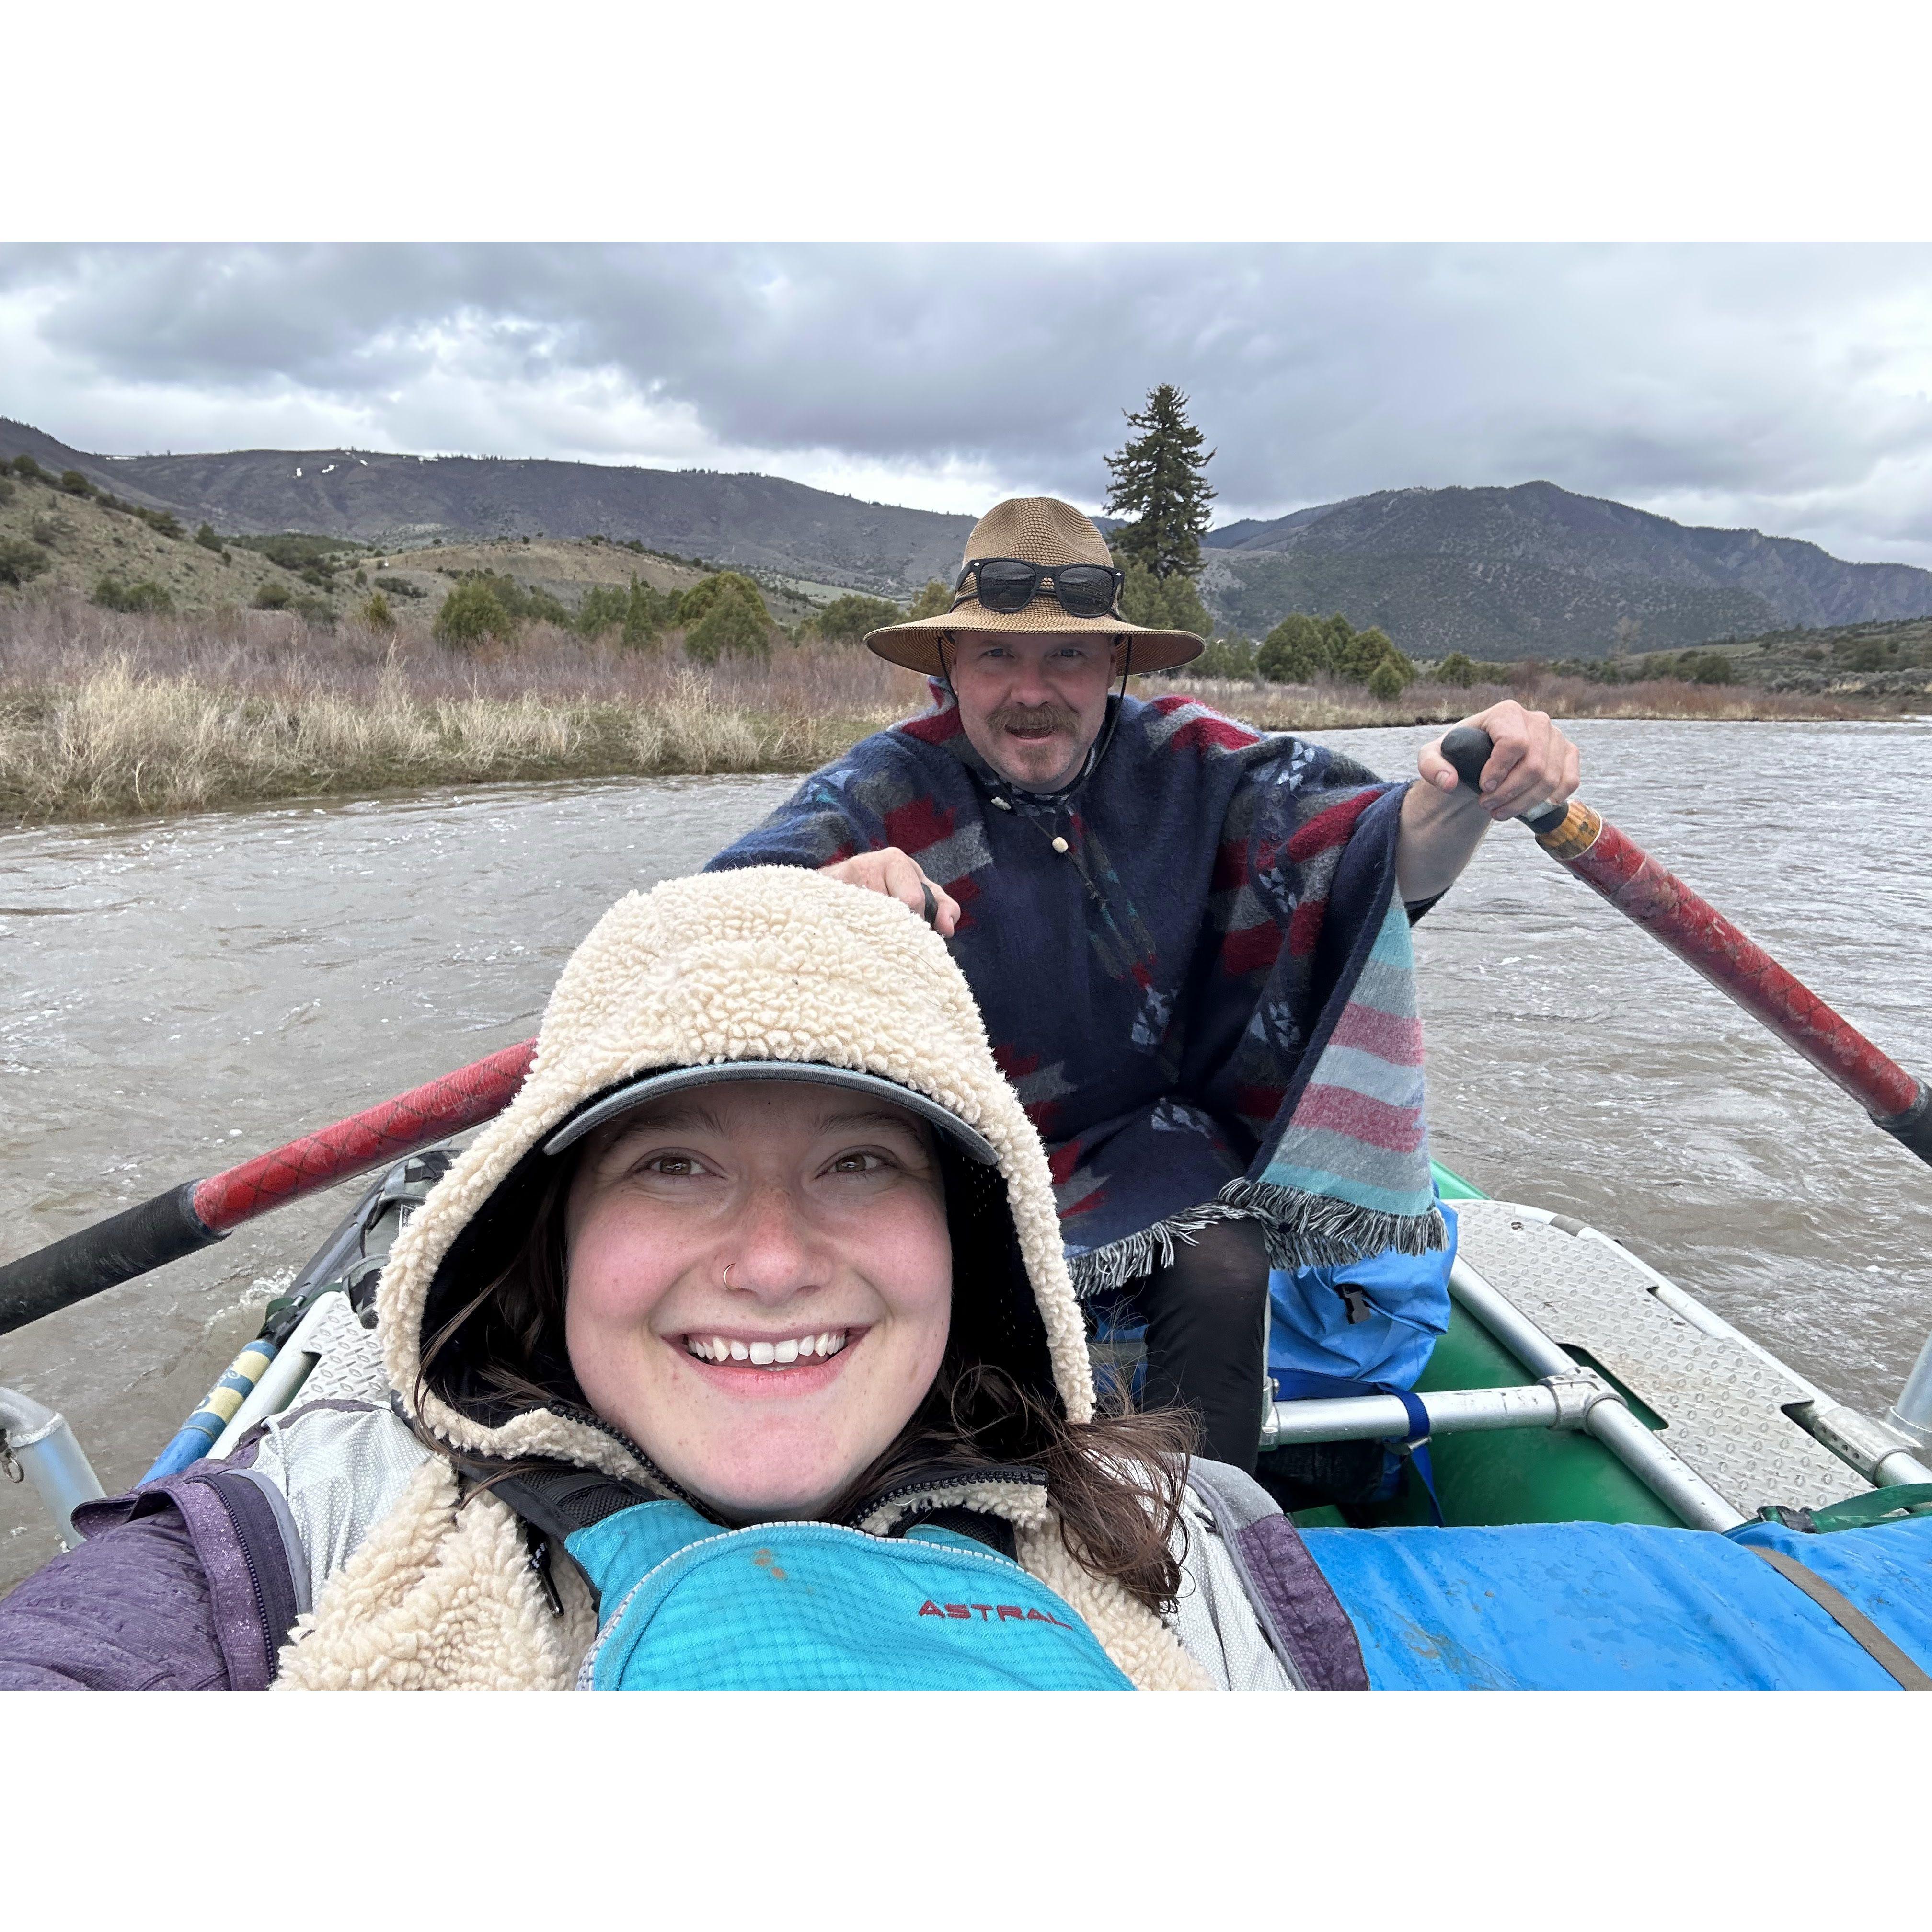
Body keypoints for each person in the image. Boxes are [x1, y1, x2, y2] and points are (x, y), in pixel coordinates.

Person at [0, 867, 1376, 1691]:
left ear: (976, 1235)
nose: (774, 1263)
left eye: (859, 1165)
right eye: (671, 1166)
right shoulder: (303, 1539)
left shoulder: (1194, 1549)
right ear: (545, 1236)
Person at [707, 496, 1579, 1475]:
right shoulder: (876, 789)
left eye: (1068, 658)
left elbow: (1375, 855)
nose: (1030, 691)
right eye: (996, 658)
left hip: (1153, 1148)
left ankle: (1199, 1537)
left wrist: (1465, 792)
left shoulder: (1195, 758)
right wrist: (826, 898)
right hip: (961, 1162)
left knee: (1224, 1259)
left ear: (1115, 667)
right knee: (918, 1270)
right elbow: (702, 925)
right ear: (949, 666)